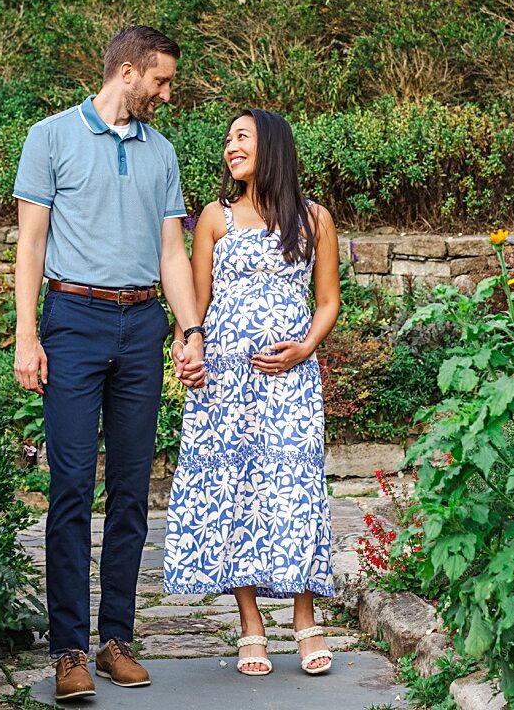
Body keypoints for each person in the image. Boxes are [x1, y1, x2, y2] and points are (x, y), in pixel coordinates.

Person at [12, 25, 207, 702]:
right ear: (127, 72)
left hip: (139, 325)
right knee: (69, 487)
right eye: (161, 80)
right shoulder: (50, 138)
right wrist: (25, 335)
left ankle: (114, 639)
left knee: (129, 491)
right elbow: (30, 247)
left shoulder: (162, 153)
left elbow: (171, 254)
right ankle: (67, 649)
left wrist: (190, 330)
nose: (166, 93)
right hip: (71, 322)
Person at [162, 108, 340, 678]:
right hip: (224, 382)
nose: (230, 147)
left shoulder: (314, 219)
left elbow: (328, 302)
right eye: (228, 140)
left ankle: (304, 618)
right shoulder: (214, 218)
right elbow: (196, 302)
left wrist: (303, 348)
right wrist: (186, 349)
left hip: (287, 378)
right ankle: (250, 625)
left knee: (293, 488)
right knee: (233, 491)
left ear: (273, 146)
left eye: (242, 137)